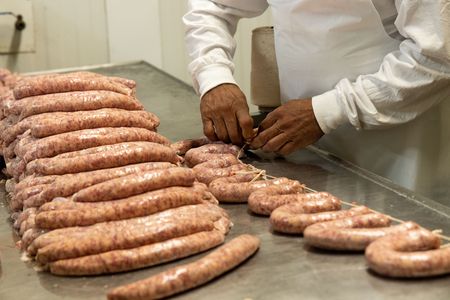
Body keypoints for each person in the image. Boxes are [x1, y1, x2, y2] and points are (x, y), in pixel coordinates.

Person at [183, 0, 450, 155]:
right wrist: (214, 76)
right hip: (299, 137)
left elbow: (435, 55)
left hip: (397, 142)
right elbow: (216, 5)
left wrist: (327, 111)